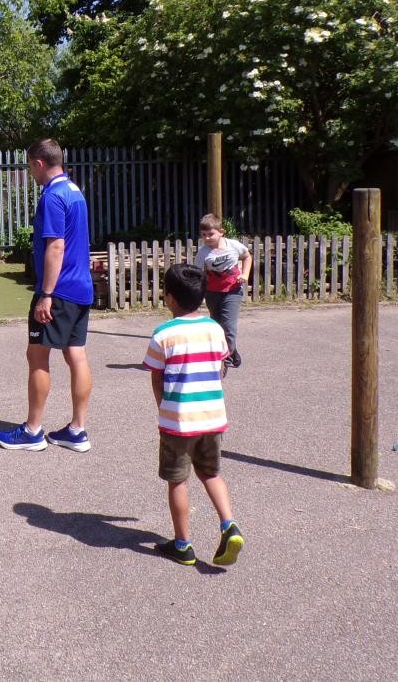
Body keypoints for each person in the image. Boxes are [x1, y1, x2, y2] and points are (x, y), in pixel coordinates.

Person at [0, 138, 95, 452]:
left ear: (39, 163)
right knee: (75, 354)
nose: (30, 172)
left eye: (30, 166)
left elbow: (56, 246)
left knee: (37, 355)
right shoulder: (75, 191)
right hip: (81, 287)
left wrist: (46, 295)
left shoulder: (52, 196)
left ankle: (33, 431)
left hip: (59, 290)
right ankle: (77, 430)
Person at [142, 263, 244, 567]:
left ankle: (183, 544)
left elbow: (156, 378)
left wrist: (164, 407)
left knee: (178, 481)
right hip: (212, 416)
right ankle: (229, 525)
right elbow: (220, 366)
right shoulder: (214, 328)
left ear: (169, 297)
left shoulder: (163, 334)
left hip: (179, 421)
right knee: (211, 474)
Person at [192, 214, 252, 369]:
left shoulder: (233, 245)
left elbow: (247, 257)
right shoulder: (203, 252)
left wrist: (244, 274)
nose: (207, 238)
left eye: (210, 234)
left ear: (221, 232)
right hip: (212, 292)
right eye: (203, 235)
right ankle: (231, 350)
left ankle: (223, 360)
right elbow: (197, 273)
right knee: (217, 326)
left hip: (233, 290)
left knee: (228, 325)